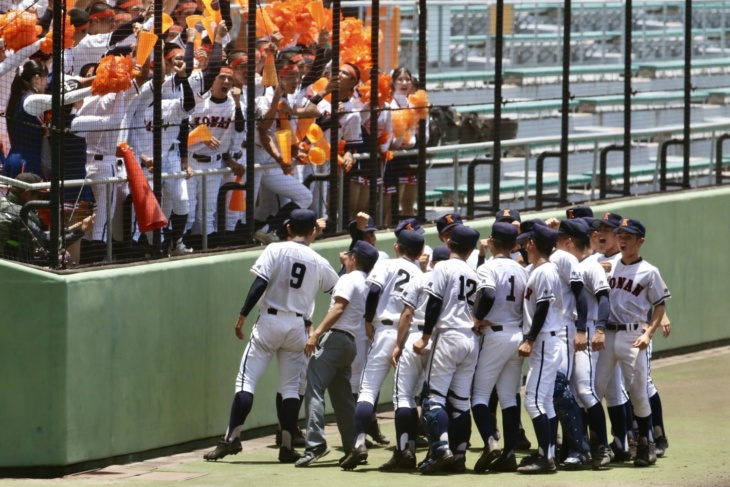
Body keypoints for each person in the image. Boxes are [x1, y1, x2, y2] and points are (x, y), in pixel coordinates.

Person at [203, 209, 339, 463]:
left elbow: (260, 283)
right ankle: (287, 446)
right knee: (289, 388)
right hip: (298, 326)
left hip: (269, 322)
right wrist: (317, 328)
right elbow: (339, 292)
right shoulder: (318, 261)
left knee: (246, 382)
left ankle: (231, 440)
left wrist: (243, 314)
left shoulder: (275, 249)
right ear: (313, 231)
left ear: (288, 228)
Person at [340, 228, 425, 471]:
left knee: (367, 390)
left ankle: (358, 445)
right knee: (405, 396)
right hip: (410, 333)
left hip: (386, 330)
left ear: (397, 247)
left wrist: (367, 320)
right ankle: (405, 450)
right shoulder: (420, 272)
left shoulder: (387, 264)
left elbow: (374, 290)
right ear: (420, 252)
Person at [593, 218, 670, 468]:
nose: (623, 240)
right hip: (609, 334)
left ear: (641, 241)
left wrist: (649, 333)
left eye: (629, 236)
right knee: (594, 388)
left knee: (637, 392)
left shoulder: (649, 270)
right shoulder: (610, 265)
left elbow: (660, 305)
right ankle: (601, 445)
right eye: (621, 235)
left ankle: (645, 444)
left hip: (633, 334)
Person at [294, 240, 379, 467]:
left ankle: (315, 444)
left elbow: (339, 307)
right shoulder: (366, 282)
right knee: (342, 397)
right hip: (350, 344)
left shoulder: (348, 279)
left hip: (336, 339)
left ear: (352, 259)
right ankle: (354, 445)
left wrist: (317, 333)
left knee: (314, 387)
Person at [412, 225, 480, 474]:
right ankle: (460, 456)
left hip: (448, 335)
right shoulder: (474, 274)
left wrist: (425, 336)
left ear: (449, 244)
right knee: (461, 402)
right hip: (470, 340)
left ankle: (441, 449)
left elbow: (434, 303)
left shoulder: (443, 267)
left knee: (434, 398)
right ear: (472, 249)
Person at [471, 222, 529, 473]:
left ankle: (490, 441)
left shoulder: (488, 267)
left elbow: (489, 294)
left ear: (492, 242)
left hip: (494, 335)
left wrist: (475, 318)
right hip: (517, 334)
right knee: (508, 397)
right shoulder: (523, 269)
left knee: (479, 396)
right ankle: (510, 453)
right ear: (514, 245)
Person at [515, 224, 562, 475]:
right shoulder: (537, 269)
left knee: (532, 401)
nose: (522, 246)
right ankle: (549, 453)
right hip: (545, 341)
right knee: (545, 402)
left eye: (525, 243)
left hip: (543, 340)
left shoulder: (544, 271)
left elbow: (543, 307)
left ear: (532, 243)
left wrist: (530, 339)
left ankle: (546, 458)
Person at [0, 173, 95, 263]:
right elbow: (50, 244)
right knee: (64, 259)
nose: (41, 199)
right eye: (39, 195)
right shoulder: (21, 214)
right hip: (16, 264)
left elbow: (40, 235)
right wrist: (82, 231)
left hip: (8, 260)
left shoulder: (4, 203)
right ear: (27, 194)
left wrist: (71, 228)